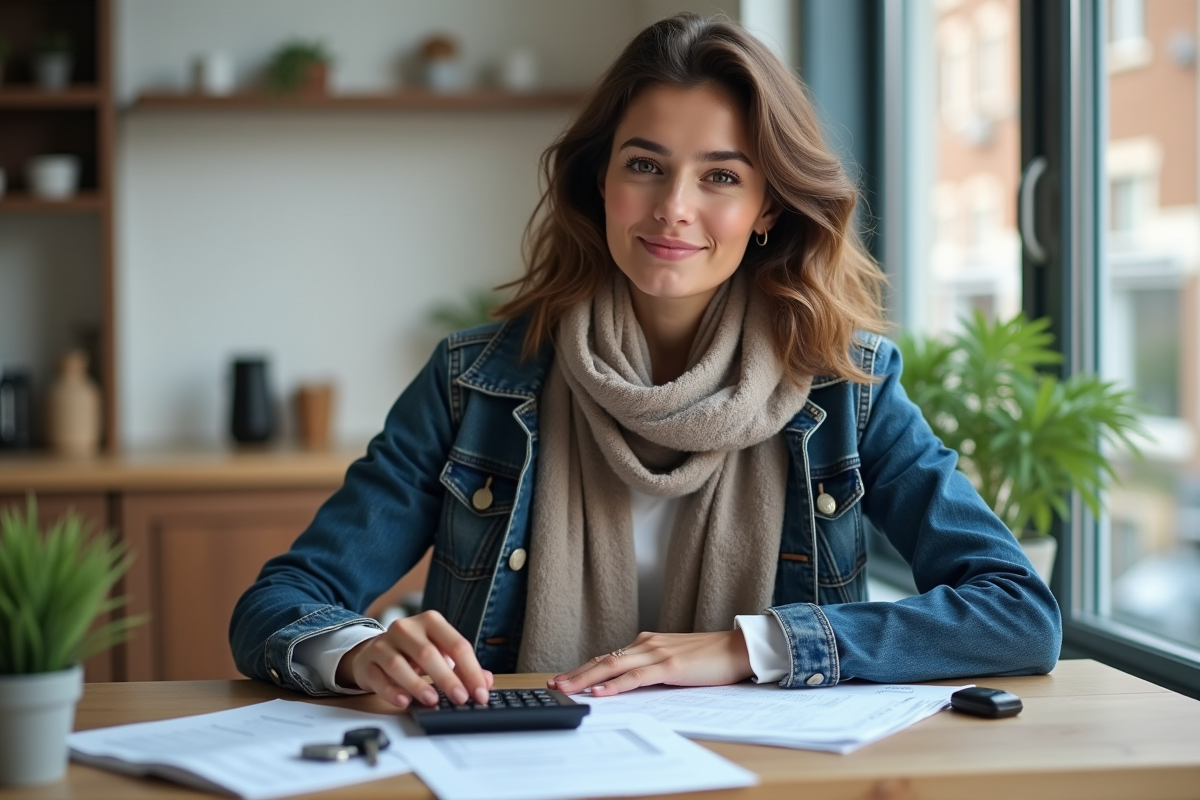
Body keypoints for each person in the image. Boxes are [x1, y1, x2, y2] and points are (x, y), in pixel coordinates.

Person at [231, 13, 1061, 711]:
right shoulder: (473, 383)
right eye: (645, 166)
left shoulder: (847, 389)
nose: (673, 209)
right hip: (520, 774)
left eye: (721, 176)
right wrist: (359, 651)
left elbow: (1019, 612)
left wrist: (749, 647)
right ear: (601, 180)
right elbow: (277, 604)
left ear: (768, 205)